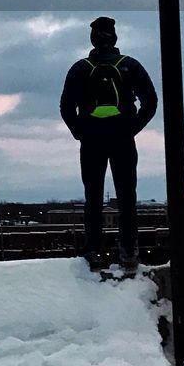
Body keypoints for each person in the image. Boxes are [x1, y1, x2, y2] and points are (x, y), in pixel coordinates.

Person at [60, 16, 158, 270]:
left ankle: (93, 251)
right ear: (114, 38)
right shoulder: (130, 65)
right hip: (122, 137)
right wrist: (133, 127)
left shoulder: (80, 68)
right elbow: (151, 101)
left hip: (91, 139)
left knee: (92, 197)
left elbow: (66, 106)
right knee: (126, 197)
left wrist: (78, 131)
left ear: (92, 39)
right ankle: (128, 252)